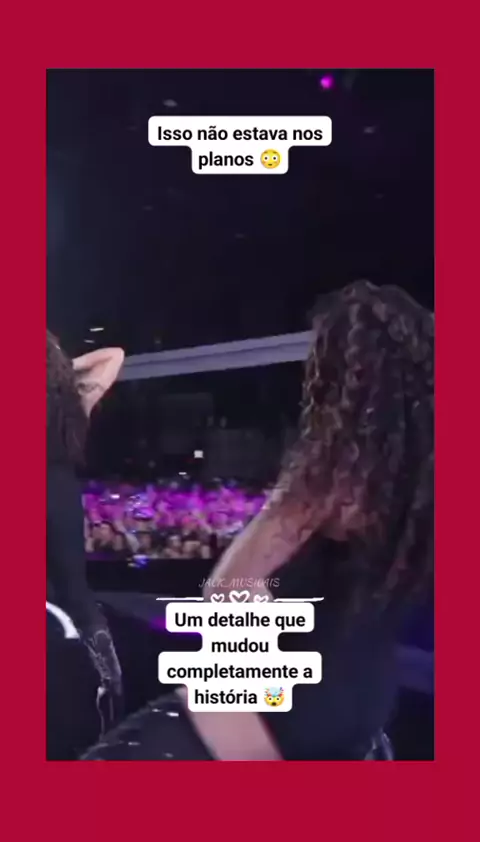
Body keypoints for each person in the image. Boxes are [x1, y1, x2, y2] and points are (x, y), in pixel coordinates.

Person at [80, 281, 433, 761]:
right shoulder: (419, 492)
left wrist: (237, 706)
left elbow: (229, 592)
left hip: (282, 707)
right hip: (365, 702)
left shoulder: (332, 476)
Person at [47, 331, 125, 758]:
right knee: (76, 594)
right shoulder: (71, 403)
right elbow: (114, 355)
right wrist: (59, 371)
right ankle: (110, 685)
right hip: (60, 496)